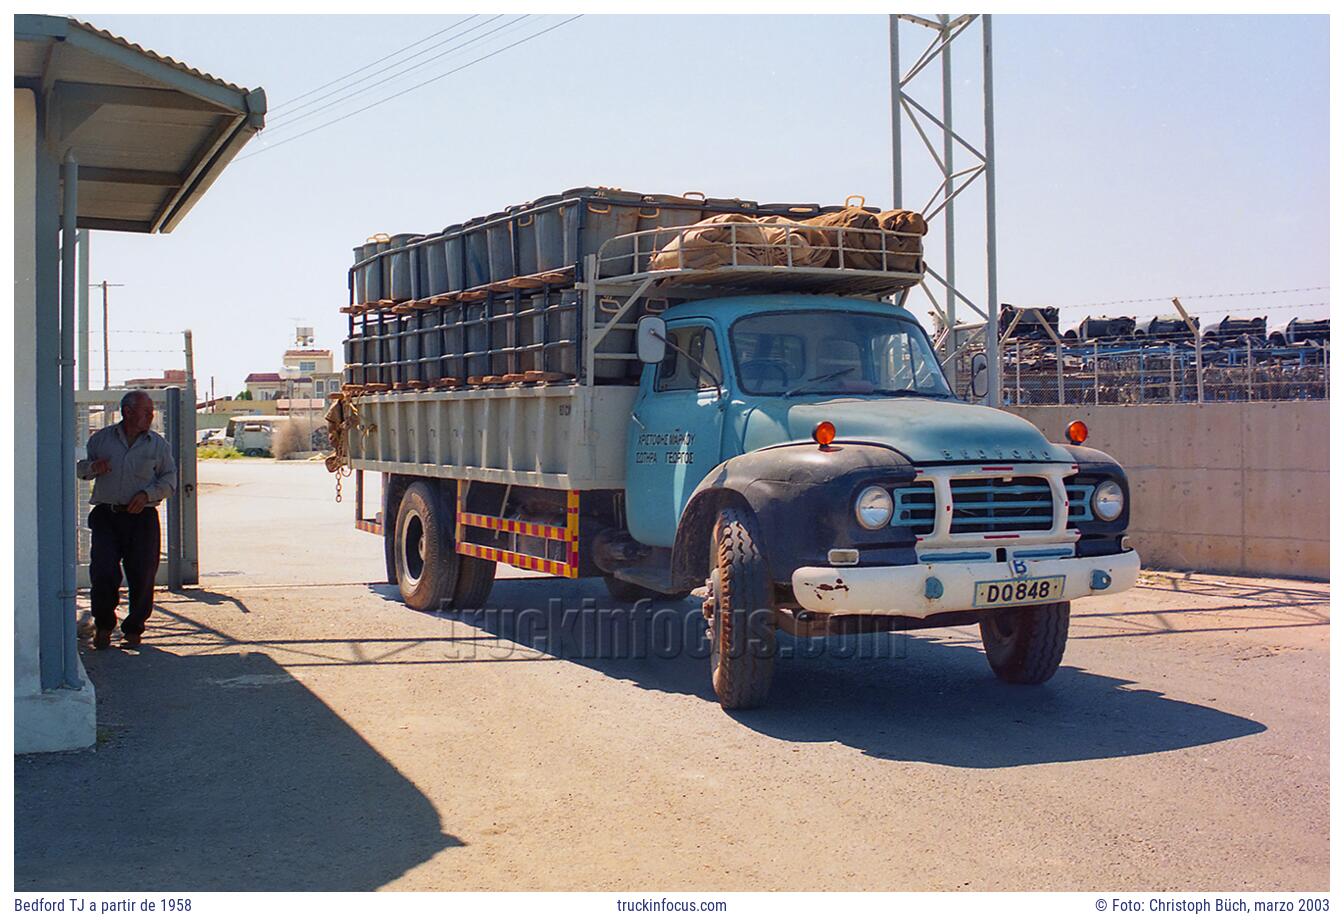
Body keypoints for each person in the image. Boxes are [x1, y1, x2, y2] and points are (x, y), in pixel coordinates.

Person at [76, 390, 178, 649]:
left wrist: (147, 494)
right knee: (103, 571)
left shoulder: (157, 444)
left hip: (142, 518)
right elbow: (82, 470)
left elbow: (169, 480)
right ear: (127, 411)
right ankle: (104, 625)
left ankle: (134, 629)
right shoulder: (101, 440)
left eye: (152, 413)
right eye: (146, 412)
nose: (150, 417)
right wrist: (92, 468)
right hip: (107, 516)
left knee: (143, 573)